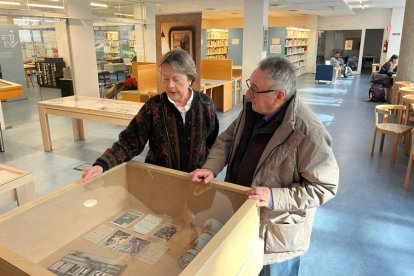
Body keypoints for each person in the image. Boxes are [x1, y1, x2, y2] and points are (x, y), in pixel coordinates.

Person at [190, 56, 339, 276]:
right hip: (243, 216)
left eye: (255, 90)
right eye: (250, 85)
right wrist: (211, 167)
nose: (248, 94)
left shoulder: (308, 132)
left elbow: (325, 187)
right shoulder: (252, 109)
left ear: (279, 96)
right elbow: (228, 139)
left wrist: (273, 197)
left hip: (276, 237)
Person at [82, 49, 219, 181]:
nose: (170, 85)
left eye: (176, 79)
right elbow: (129, 141)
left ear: (190, 78)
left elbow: (211, 142)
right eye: (165, 79)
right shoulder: (154, 107)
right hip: (160, 181)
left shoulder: (205, 104)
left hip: (195, 181)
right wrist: (102, 164)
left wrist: (209, 168)